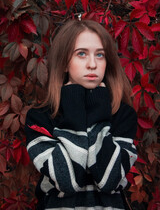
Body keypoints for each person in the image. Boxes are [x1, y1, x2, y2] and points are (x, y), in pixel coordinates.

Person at [25, 19, 137, 210]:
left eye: (100, 55)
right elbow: (67, 181)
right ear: (64, 64)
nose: (92, 64)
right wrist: (74, 108)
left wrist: (98, 112)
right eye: (81, 54)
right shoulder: (40, 117)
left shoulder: (122, 115)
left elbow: (108, 179)